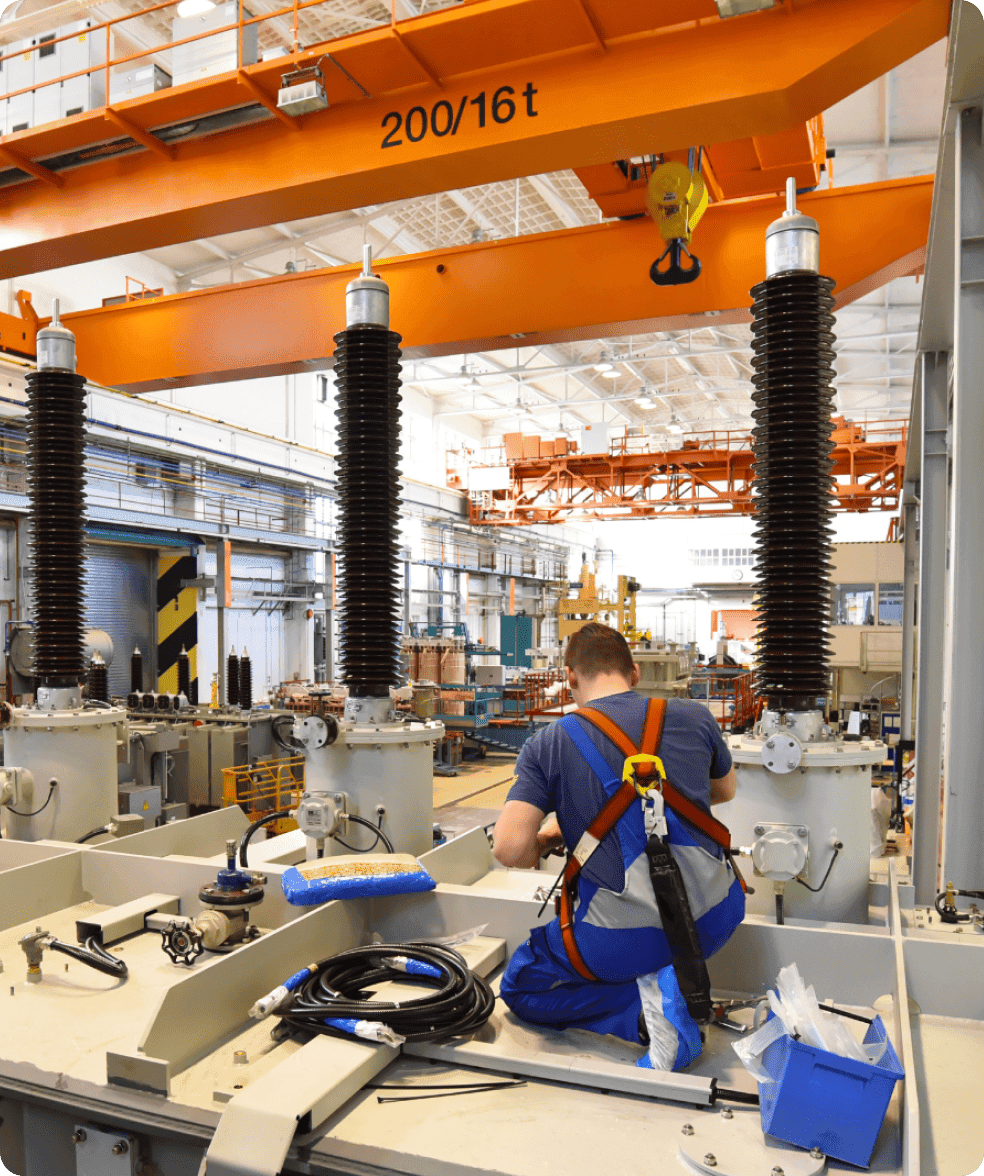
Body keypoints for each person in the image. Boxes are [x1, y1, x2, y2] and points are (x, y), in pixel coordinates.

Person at [493, 622, 744, 1071]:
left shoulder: (549, 742)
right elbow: (724, 791)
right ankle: (676, 985)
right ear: (633, 673)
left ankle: (645, 1018)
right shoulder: (695, 716)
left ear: (570, 677)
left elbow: (509, 851)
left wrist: (555, 834)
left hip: (616, 941)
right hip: (714, 918)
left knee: (522, 987)